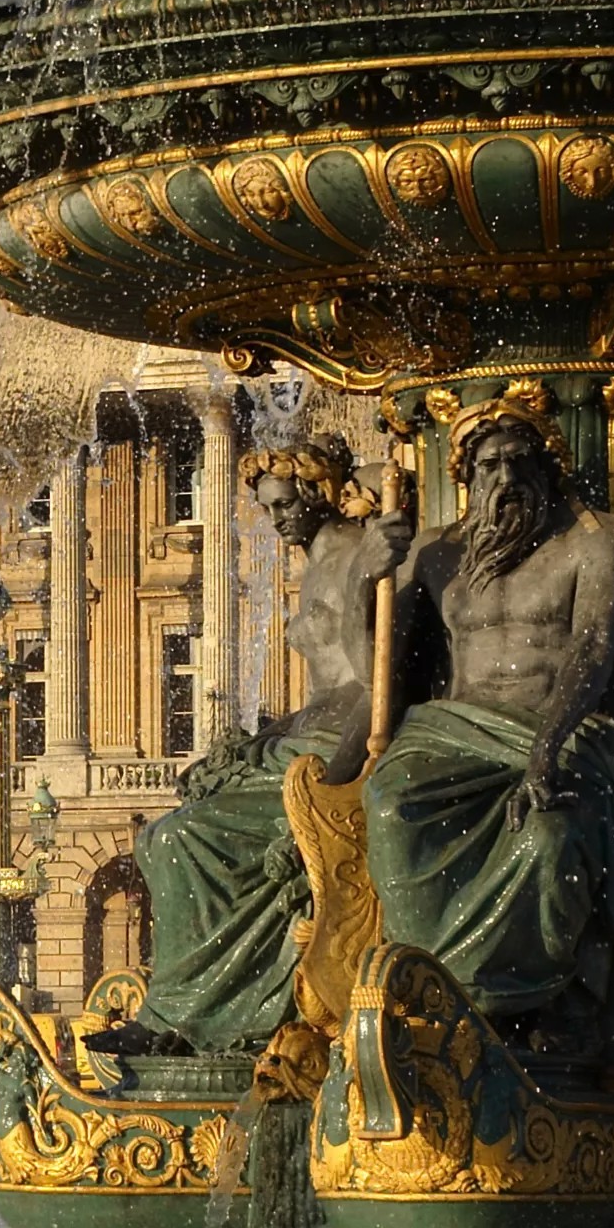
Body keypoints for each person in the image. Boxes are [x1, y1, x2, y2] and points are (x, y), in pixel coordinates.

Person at [93, 436, 395, 1057]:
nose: (276, 519)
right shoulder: (317, 561)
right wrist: (262, 738)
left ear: (319, 494)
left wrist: (324, 793)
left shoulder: (358, 556)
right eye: (268, 507)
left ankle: (180, 1016)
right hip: (299, 739)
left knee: (180, 840)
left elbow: (376, 683)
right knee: (160, 835)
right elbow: (328, 688)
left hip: (332, 752)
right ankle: (192, 1007)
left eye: (286, 505)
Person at [359, 401, 614, 1037]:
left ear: (548, 469)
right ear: (467, 476)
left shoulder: (597, 539)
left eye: (521, 462)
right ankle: (425, 990)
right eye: (490, 466)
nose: (507, 478)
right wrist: (363, 577)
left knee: (549, 838)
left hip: (559, 728)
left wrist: (546, 749)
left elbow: (594, 646)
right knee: (390, 806)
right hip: (456, 733)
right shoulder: (435, 553)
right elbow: (378, 672)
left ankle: (528, 1003)